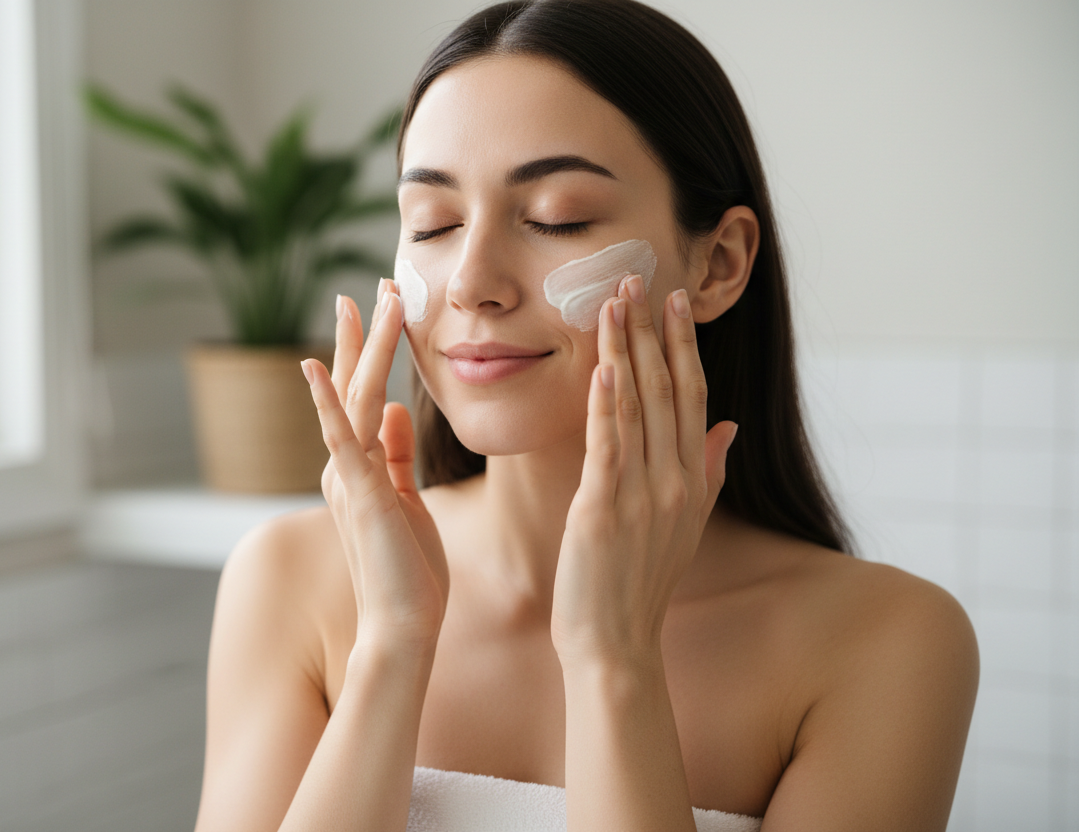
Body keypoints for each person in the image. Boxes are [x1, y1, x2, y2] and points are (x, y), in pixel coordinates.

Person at [192, 1, 979, 830]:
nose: (470, 282)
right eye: (433, 223)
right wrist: (390, 644)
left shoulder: (888, 643)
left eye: (556, 217)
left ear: (718, 263)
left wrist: (614, 660)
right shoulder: (287, 580)